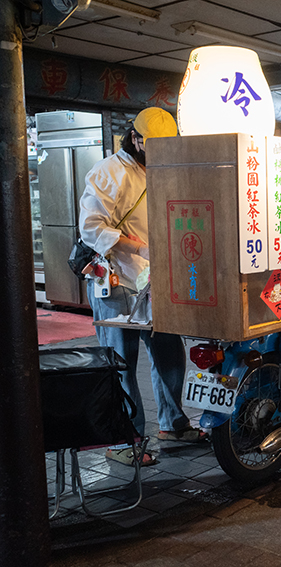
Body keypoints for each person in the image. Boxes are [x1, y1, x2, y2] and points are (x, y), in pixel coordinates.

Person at [79, 107, 206, 467]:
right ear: (135, 139)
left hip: (155, 279)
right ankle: (124, 439)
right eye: (153, 146)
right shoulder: (110, 172)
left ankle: (173, 423)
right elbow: (90, 226)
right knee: (120, 362)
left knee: (168, 352)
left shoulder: (161, 170)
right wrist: (138, 246)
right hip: (117, 278)